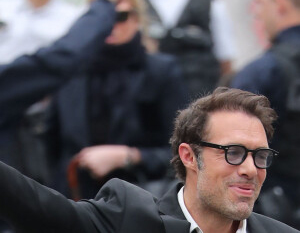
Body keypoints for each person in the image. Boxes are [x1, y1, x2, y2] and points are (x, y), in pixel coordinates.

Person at [0, 86, 299, 232]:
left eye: (260, 156)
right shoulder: (130, 219)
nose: (250, 169)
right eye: (233, 153)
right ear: (189, 156)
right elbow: (37, 207)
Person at [45, 0, 188, 198]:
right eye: (101, 15)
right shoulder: (71, 71)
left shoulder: (161, 71)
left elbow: (184, 150)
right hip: (74, 198)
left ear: (136, 20)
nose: (110, 23)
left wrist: (129, 156)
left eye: (119, 16)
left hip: (139, 199)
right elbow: (51, 144)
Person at [231, 0, 300, 224]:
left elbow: (229, 147)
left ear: (280, 3)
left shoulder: (263, 71)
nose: (256, 12)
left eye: (259, 3)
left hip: (276, 215)